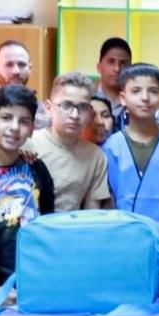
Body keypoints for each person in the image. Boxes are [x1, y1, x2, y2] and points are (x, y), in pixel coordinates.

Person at [0, 84, 55, 286]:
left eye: (23, 121)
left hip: (35, 280)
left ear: (31, 129)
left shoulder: (37, 169)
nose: (14, 127)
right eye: (6, 118)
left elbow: (47, 224)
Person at [102, 64, 159, 241]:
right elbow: (108, 203)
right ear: (123, 98)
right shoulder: (110, 147)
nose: (145, 98)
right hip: (124, 243)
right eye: (136, 91)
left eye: (153, 91)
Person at [25, 71, 111, 211]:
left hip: (72, 223)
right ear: (48, 108)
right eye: (66, 105)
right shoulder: (29, 143)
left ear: (90, 113)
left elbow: (91, 213)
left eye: (83, 107)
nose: (75, 115)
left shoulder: (95, 156)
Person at [96, 36, 133, 126]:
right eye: (111, 62)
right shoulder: (88, 101)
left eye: (123, 63)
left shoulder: (138, 104)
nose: (117, 68)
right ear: (99, 67)